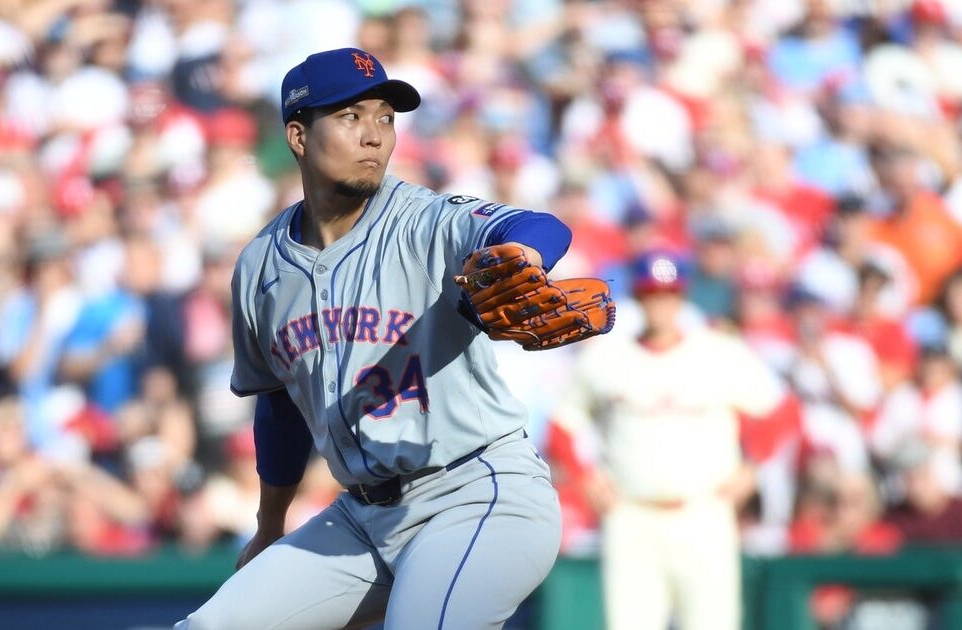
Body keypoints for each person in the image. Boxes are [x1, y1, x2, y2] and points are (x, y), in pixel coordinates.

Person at [176, 47, 578, 629]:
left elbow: (536, 226)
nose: (374, 136)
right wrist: (270, 525)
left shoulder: (421, 221)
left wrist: (518, 260)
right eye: (350, 117)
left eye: (385, 118)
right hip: (362, 520)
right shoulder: (261, 266)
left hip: (477, 493)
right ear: (297, 135)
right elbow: (281, 404)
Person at [553, 252, 785, 630]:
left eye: (668, 295)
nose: (661, 304)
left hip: (704, 512)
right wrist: (585, 478)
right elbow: (562, 427)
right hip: (630, 514)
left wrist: (752, 466)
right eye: (652, 294)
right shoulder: (606, 358)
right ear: (639, 298)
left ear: (681, 297)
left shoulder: (717, 352)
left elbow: (778, 411)